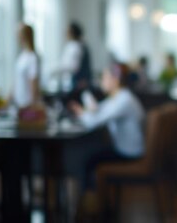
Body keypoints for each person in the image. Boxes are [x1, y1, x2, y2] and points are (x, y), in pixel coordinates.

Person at [68, 63, 145, 211]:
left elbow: (94, 121)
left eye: (104, 77)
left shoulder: (123, 101)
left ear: (115, 80)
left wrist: (81, 113)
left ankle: (89, 208)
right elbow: (99, 110)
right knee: (92, 153)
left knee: (87, 159)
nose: (101, 81)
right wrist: (87, 109)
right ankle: (97, 205)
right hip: (127, 148)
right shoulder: (121, 97)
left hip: (129, 152)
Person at [55, 22, 93, 93]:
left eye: (67, 31)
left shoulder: (76, 46)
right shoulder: (77, 45)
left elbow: (73, 66)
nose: (65, 33)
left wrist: (58, 69)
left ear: (72, 33)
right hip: (70, 81)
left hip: (75, 82)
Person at [10, 23, 41, 109]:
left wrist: (33, 106)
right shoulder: (21, 56)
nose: (16, 37)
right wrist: (7, 100)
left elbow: (34, 83)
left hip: (27, 105)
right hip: (18, 104)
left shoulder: (33, 58)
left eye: (18, 34)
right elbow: (16, 81)